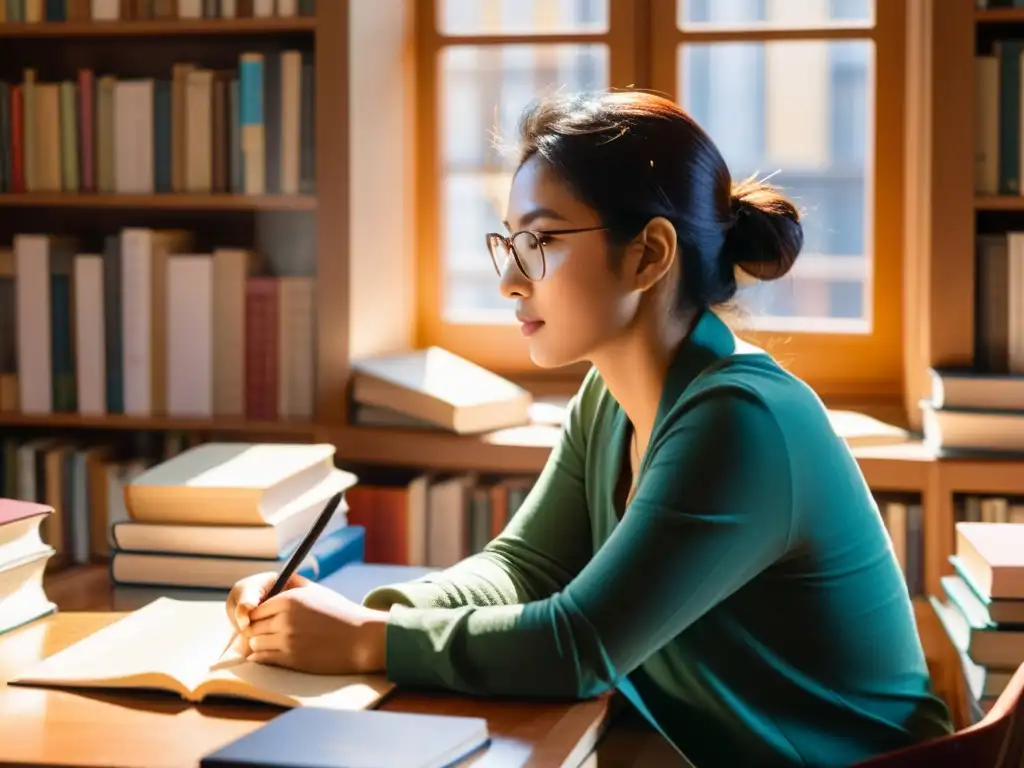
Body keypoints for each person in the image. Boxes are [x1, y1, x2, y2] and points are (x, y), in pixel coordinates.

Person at [225, 90, 953, 767]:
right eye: (507, 242)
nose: (510, 280)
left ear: (650, 254)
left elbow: (580, 646)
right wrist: (342, 617)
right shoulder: (609, 395)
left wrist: (366, 643)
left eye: (539, 242)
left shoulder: (740, 420)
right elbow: (523, 568)